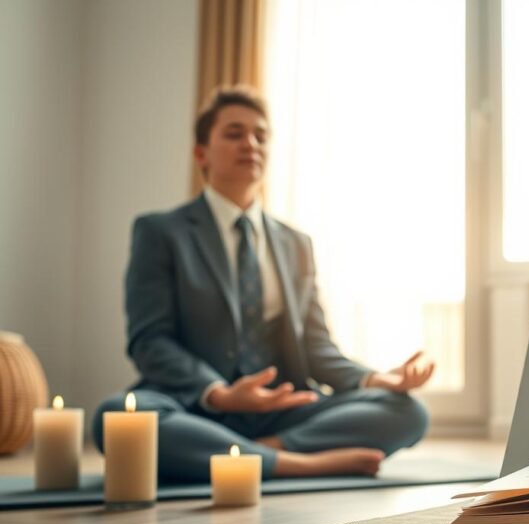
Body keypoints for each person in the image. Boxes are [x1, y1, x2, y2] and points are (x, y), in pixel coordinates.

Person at [92, 87, 433, 483]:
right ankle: (297, 463)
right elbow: (150, 341)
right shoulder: (160, 232)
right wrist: (219, 393)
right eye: (234, 134)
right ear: (201, 153)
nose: (250, 144)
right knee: (114, 416)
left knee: (408, 411)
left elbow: (318, 348)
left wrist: (377, 380)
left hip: (283, 410)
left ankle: (256, 454)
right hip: (196, 406)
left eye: (260, 135)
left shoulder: (295, 244)